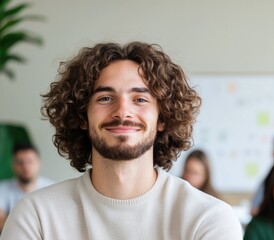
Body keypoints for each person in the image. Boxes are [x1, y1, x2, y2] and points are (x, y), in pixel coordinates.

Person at [1, 42, 243, 239]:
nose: (122, 112)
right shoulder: (36, 216)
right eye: (105, 98)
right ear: (82, 116)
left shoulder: (207, 218)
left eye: (140, 99)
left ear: (163, 118)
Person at [0, 143, 54, 233]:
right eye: (20, 162)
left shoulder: (52, 189)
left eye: (30, 161)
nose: (25, 166)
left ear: (39, 163)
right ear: (13, 165)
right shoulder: (2, 188)